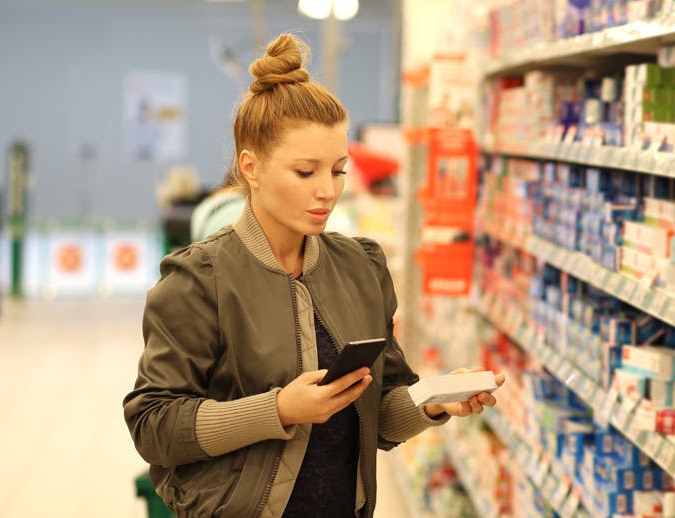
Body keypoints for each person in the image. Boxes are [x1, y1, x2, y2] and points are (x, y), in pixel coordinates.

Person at [123, 32, 504, 518]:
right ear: (251, 167)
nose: (327, 191)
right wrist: (279, 410)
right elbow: (154, 426)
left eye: (339, 171)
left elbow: (378, 416)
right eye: (305, 172)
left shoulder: (362, 268)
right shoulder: (200, 279)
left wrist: (431, 403)